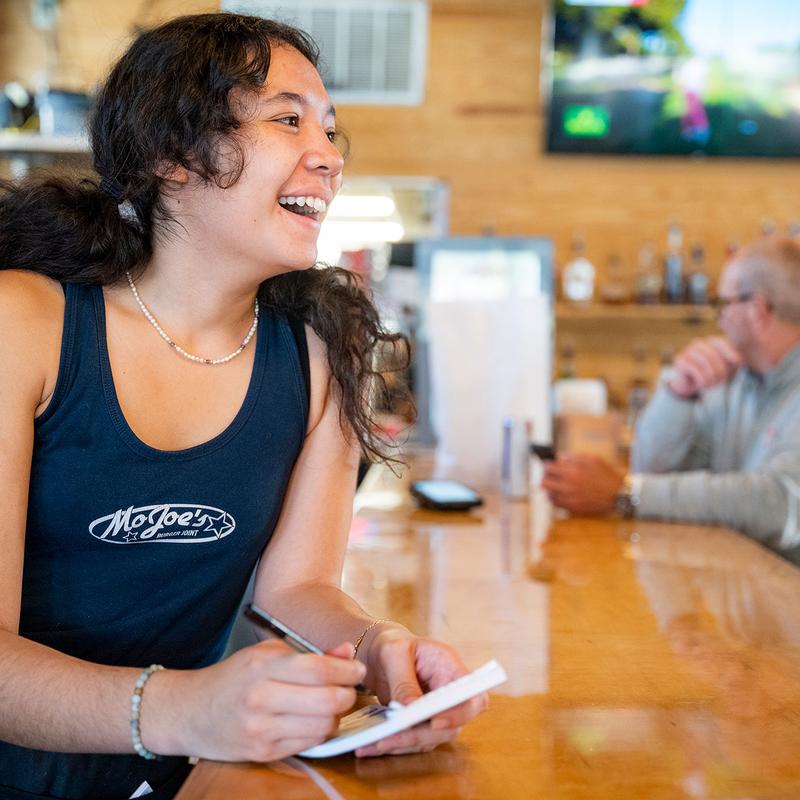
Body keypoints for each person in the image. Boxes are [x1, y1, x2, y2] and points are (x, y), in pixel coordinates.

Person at [0, 13, 485, 800]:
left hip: (179, 772)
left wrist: (376, 647)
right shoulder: (24, 324)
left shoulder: (319, 352)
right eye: (288, 120)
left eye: (329, 129)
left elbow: (294, 593)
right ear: (170, 156)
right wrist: (184, 707)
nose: (328, 157)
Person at [542, 238, 800, 563]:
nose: (719, 320)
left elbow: (781, 506)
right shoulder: (739, 383)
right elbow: (656, 472)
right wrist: (677, 393)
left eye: (723, 304)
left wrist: (626, 494)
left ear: (758, 312)